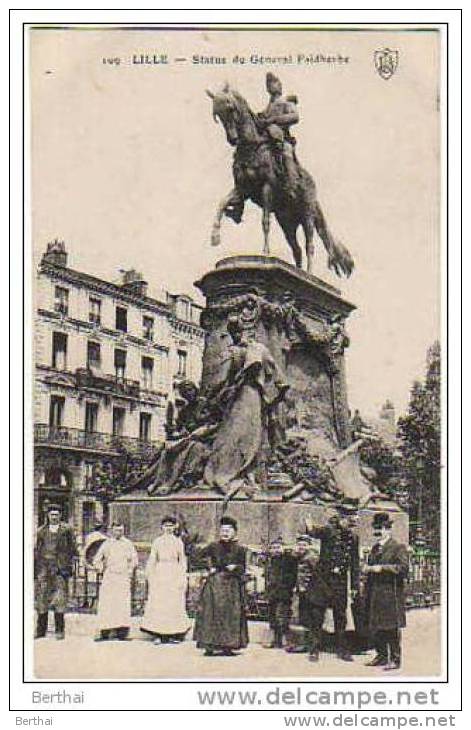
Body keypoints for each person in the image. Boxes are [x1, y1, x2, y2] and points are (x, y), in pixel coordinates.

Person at [305, 509, 360, 662]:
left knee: (340, 617)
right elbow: (314, 532)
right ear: (342, 519)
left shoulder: (353, 538)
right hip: (323, 580)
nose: (350, 526)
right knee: (317, 616)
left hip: (340, 582)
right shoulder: (329, 531)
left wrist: (355, 586)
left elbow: (354, 564)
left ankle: (342, 649)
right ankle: (314, 648)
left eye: (353, 523)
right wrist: (309, 526)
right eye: (349, 522)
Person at [193, 516, 248, 656]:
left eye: (229, 530)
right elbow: (195, 557)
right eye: (223, 530)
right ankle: (209, 645)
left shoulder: (240, 549)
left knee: (231, 615)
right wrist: (208, 567)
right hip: (215, 584)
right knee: (211, 614)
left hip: (232, 587)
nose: (225, 533)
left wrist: (235, 567)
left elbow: (243, 568)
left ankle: (228, 646)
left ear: (235, 532)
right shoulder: (213, 546)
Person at [364, 512, 409, 670]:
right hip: (375, 593)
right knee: (377, 626)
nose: (378, 532)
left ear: (388, 530)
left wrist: (381, 568)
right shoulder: (375, 548)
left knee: (391, 627)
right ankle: (381, 656)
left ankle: (395, 659)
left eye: (381, 529)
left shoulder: (398, 547)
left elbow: (403, 568)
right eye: (376, 529)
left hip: (391, 594)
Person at [141, 515, 191, 643]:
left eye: (171, 526)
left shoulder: (178, 542)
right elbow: (153, 558)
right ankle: (158, 633)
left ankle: (173, 634)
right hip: (161, 573)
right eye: (166, 526)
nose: (168, 528)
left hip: (173, 572)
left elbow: (182, 560)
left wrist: (182, 576)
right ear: (161, 527)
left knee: (173, 603)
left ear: (175, 527)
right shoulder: (157, 542)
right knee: (160, 603)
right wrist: (150, 574)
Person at [34, 504, 78, 640]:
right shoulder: (41, 531)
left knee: (60, 599)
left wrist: (69, 566)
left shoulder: (67, 530)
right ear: (48, 515)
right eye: (51, 514)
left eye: (56, 514)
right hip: (44, 569)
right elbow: (36, 550)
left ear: (60, 516)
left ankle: (59, 630)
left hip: (60, 569)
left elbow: (73, 549)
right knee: (42, 599)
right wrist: (36, 569)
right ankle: (41, 630)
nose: (54, 517)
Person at [93, 522, 138, 641]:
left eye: (121, 530)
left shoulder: (128, 544)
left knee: (122, 603)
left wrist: (129, 570)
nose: (119, 533)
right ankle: (105, 632)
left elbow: (134, 560)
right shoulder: (107, 544)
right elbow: (97, 559)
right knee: (108, 604)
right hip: (110, 576)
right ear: (112, 530)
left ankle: (122, 633)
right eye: (116, 530)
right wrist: (100, 568)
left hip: (123, 576)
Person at [257, 72, 300, 195]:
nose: (274, 86)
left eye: (275, 83)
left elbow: (295, 117)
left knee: (286, 151)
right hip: (268, 141)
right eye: (270, 84)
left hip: (283, 140)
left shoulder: (287, 102)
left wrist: (275, 120)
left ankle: (293, 185)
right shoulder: (268, 108)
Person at [285, 534, 319, 655]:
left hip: (309, 592)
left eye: (304, 545)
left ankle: (307, 644)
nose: (301, 547)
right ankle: (299, 643)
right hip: (300, 591)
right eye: (299, 545)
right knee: (298, 617)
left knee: (307, 618)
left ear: (309, 546)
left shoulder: (312, 557)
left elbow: (317, 575)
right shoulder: (298, 557)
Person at [264, 537, 298, 649]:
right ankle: (276, 641)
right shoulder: (270, 561)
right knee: (273, 617)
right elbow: (268, 577)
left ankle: (289, 641)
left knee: (282, 617)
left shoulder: (289, 560)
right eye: (273, 548)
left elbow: (293, 575)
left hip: (284, 593)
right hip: (272, 593)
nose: (276, 550)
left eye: (278, 547)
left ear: (283, 548)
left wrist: (289, 587)